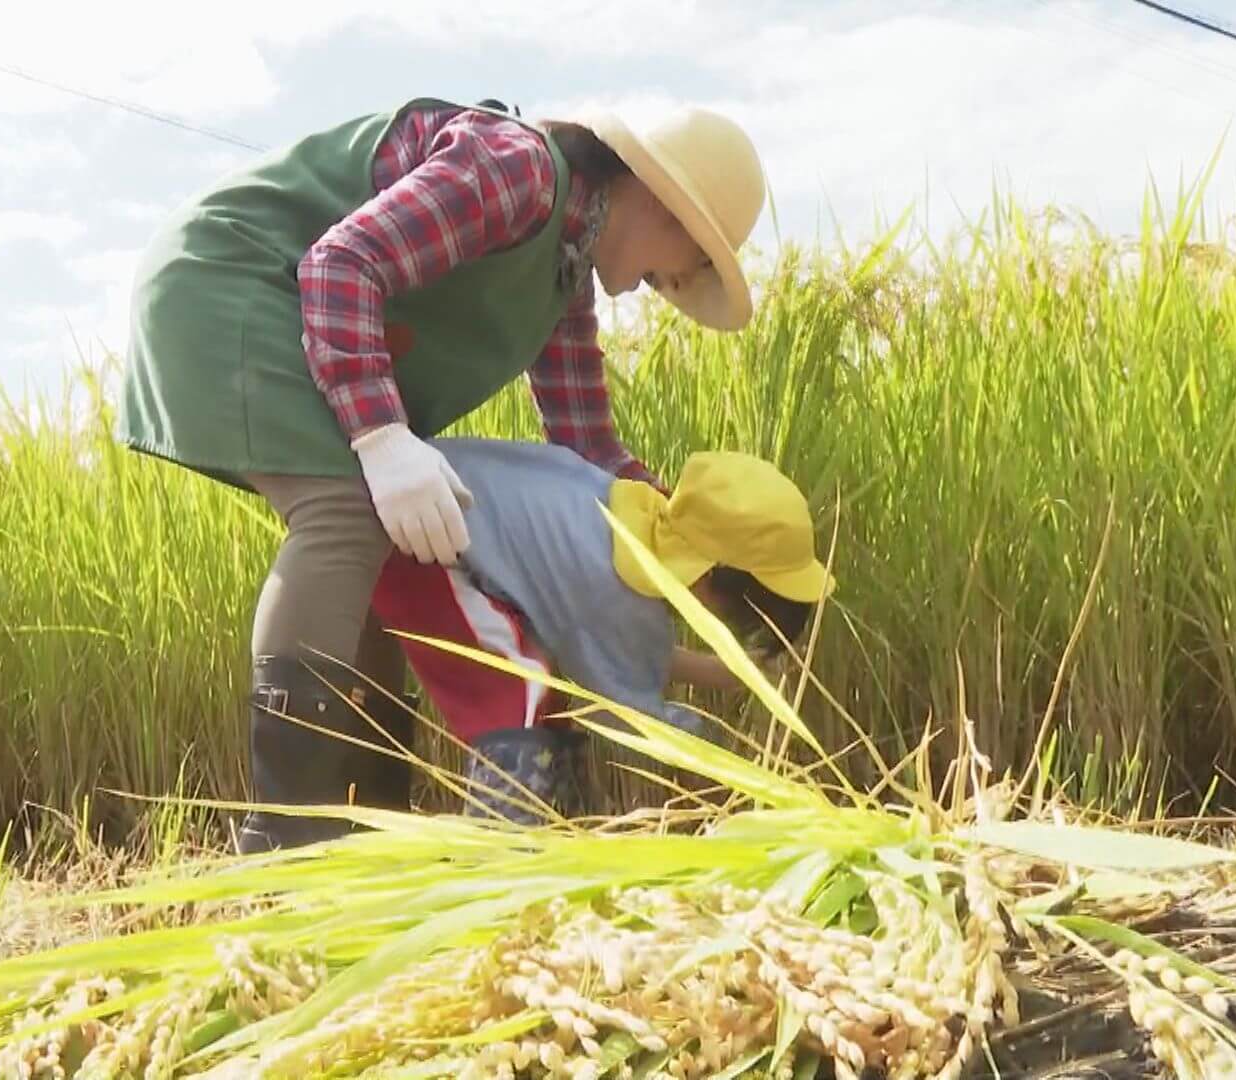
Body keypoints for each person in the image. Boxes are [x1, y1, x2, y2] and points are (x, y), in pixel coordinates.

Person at [116, 95, 769, 853]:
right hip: (231, 281)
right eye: (692, 262)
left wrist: (701, 550)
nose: (668, 286)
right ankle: (290, 834)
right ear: (662, 204)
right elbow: (340, 264)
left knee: (382, 543)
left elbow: (590, 447)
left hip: (290, 304)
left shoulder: (563, 279)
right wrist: (382, 436)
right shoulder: (516, 171)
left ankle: (366, 821)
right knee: (346, 516)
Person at [369, 439, 833, 823]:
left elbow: (611, 646)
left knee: (546, 696)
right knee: (518, 698)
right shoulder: (616, 588)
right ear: (712, 577)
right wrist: (733, 759)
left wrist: (723, 672)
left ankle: (565, 829)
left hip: (441, 513)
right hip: (421, 532)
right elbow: (627, 717)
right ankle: (497, 856)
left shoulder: (634, 524)